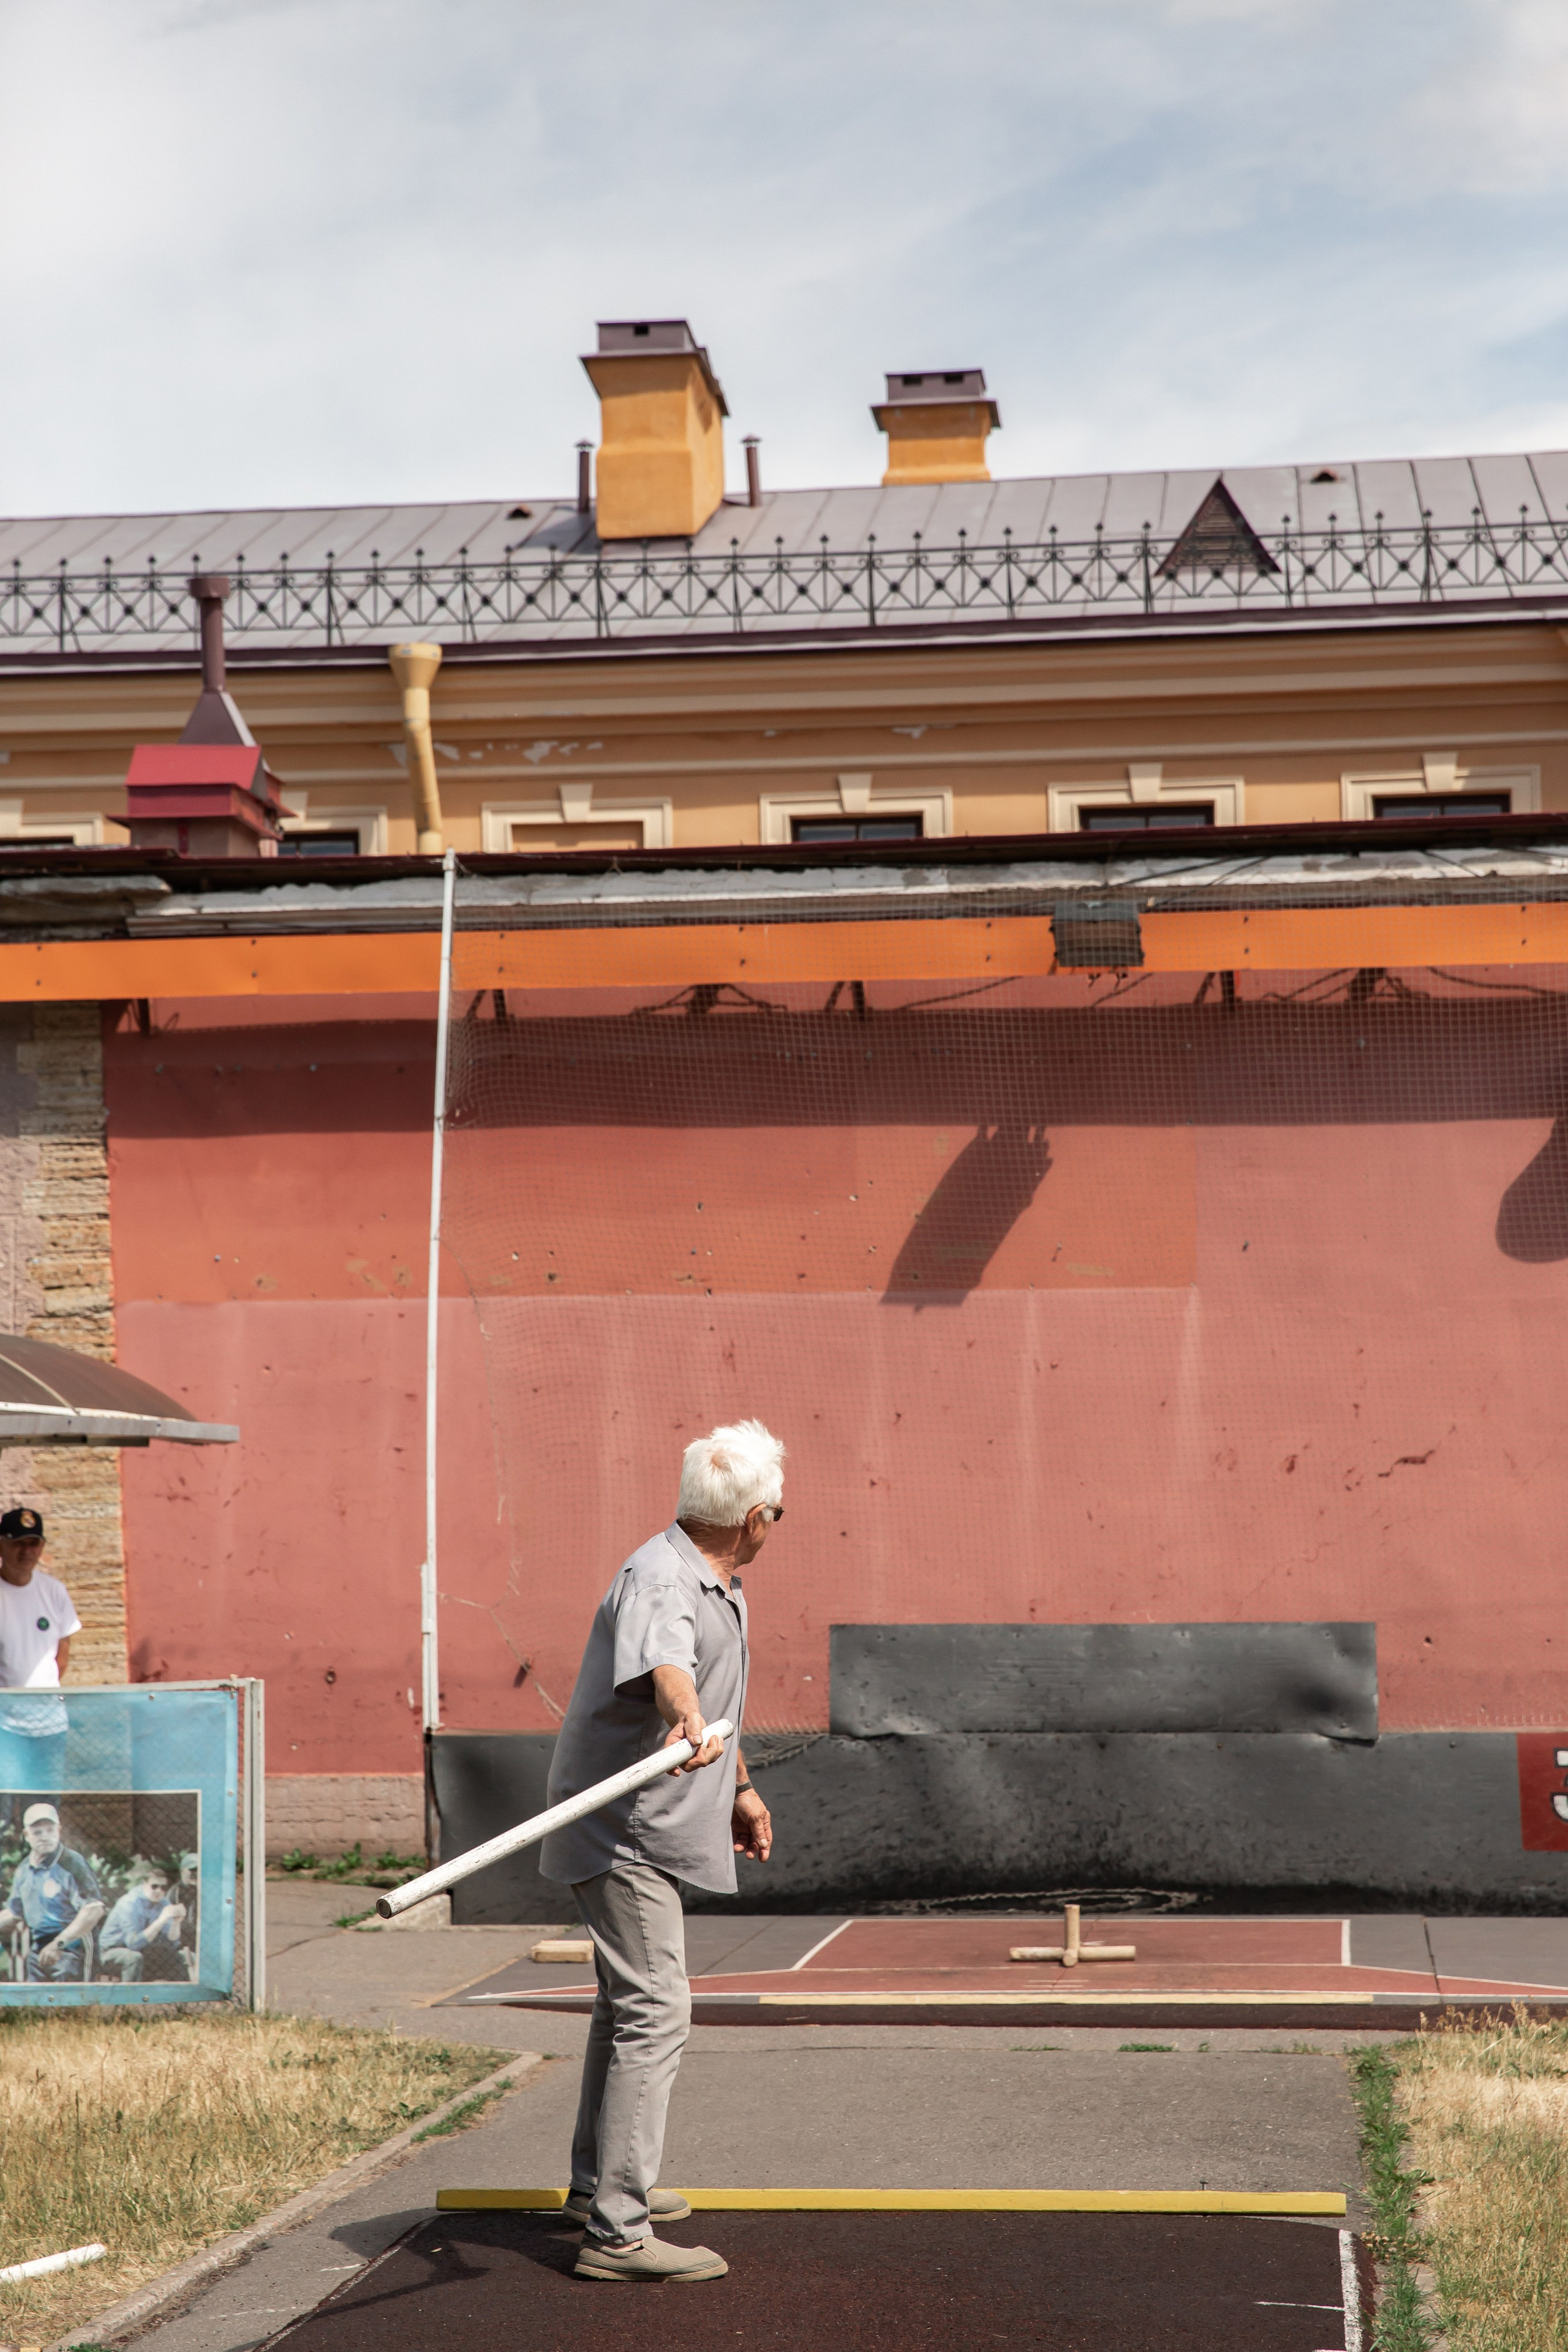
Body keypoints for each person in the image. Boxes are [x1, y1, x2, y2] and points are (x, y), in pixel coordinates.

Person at [540, 1419, 782, 2284]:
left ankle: (593, 2190)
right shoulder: (660, 1578)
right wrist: (681, 1713)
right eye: (777, 1514)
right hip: (621, 1831)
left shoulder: (714, 1576)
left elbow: (713, 1700)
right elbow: (673, 1674)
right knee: (656, 2010)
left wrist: (740, 1788)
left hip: (644, 1822)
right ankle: (617, 2231)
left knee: (624, 2005)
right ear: (754, 1518)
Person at [0, 1508, 79, 1803]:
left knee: (45, 1810)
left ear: (42, 1547)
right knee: (3, 1813)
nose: (27, 1551)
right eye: (18, 1542)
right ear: (2, 1545)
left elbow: (62, 1657)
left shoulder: (54, 1591)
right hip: (4, 1726)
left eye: (33, 1543)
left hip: (50, 1725)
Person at [0, 1801, 104, 1981]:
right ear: (26, 1835)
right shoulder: (24, 1869)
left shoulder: (72, 1863)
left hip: (72, 1948)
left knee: (73, 2006)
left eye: (50, 1830)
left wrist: (59, 1945)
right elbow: (15, 1913)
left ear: (59, 1829)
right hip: (39, 1948)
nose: (45, 1837)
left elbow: (94, 1909)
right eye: (37, 1832)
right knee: (35, 2005)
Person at [99, 1863, 190, 1983]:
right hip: (112, 1951)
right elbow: (134, 1943)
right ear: (144, 1885)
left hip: (144, 1949)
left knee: (180, 1957)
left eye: (163, 1888)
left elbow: (172, 1943)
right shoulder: (129, 1903)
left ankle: (177, 1998)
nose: (159, 1891)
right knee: (134, 1958)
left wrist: (176, 1923)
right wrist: (162, 1920)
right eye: (154, 1886)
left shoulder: (164, 1902)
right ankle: (129, 1998)